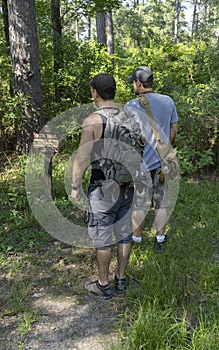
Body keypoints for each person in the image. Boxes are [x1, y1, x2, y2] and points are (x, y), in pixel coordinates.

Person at [71, 73, 135, 299]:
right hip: (128, 183)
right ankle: (121, 279)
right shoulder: (129, 116)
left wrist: (75, 186)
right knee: (124, 234)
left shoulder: (93, 120)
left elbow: (82, 156)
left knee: (102, 236)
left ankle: (103, 284)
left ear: (95, 93)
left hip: (102, 186)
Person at [125, 66, 178, 252]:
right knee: (161, 203)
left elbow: (127, 137)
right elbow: (174, 129)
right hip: (163, 162)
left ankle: (137, 240)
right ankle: (160, 240)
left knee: (139, 203)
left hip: (141, 163)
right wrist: (163, 147)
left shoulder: (131, 106)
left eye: (133, 82)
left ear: (139, 83)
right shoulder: (168, 101)